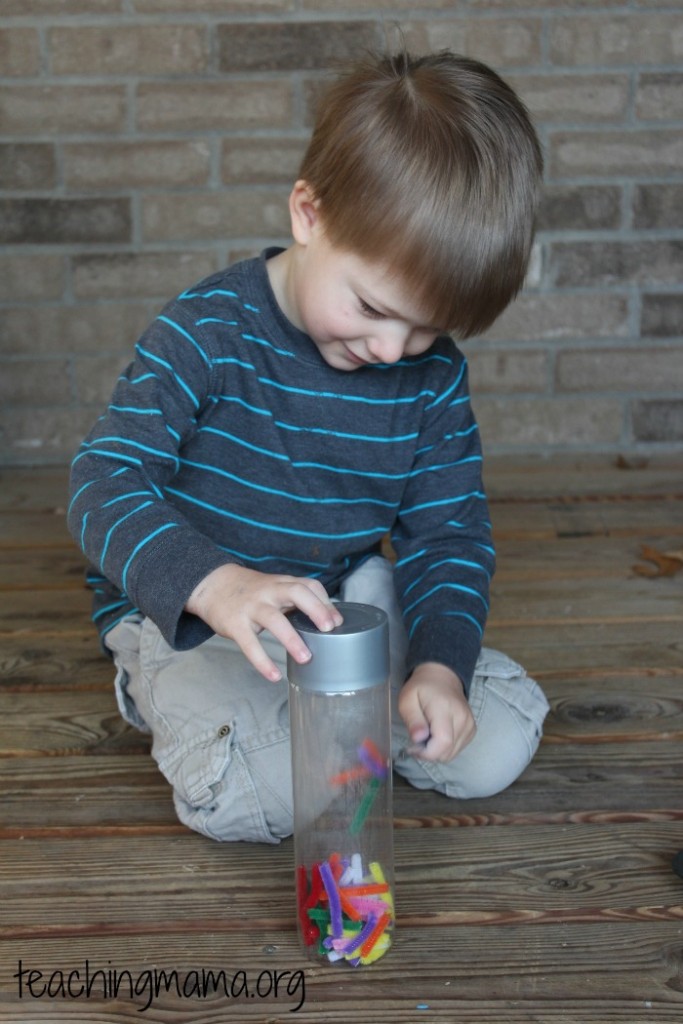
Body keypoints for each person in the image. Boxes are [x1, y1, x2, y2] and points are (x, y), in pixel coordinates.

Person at [68, 50, 550, 844]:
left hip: (334, 602)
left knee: (490, 746)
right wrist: (216, 587)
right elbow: (101, 479)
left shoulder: (427, 378)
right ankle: (165, 691)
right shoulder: (208, 330)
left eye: (427, 327)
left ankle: (358, 717)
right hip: (196, 613)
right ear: (308, 214)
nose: (395, 349)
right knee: (254, 800)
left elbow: (447, 536)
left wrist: (437, 669)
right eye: (371, 306)